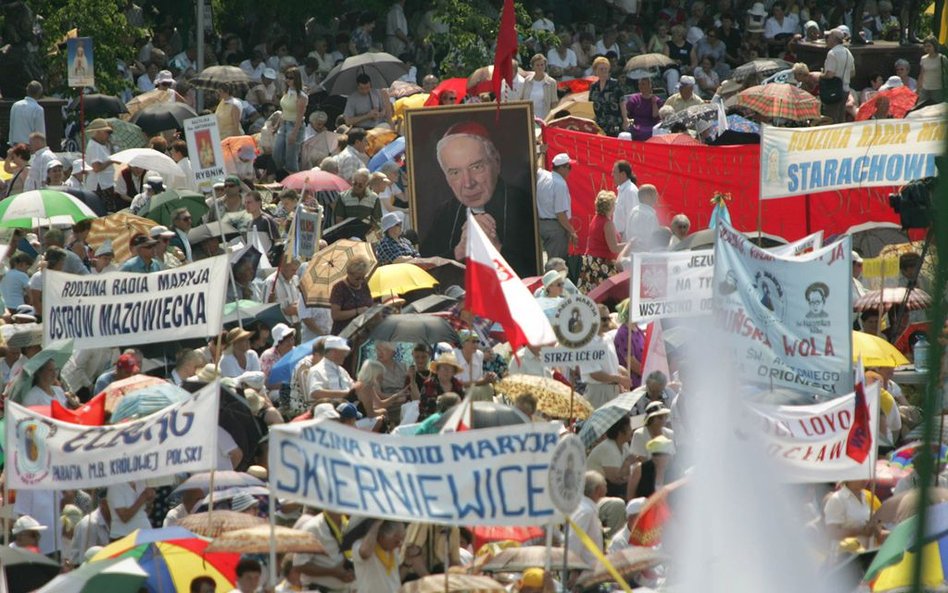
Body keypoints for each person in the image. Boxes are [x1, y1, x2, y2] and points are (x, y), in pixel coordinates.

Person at [421, 121, 538, 276]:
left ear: (496, 162)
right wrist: (458, 252)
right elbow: (424, 271)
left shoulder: (522, 204)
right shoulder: (446, 213)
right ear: (447, 178)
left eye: (476, 167)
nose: (468, 183)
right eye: (455, 172)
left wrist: (496, 248)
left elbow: (535, 274)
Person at [353, 520, 425, 593]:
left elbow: (394, 579)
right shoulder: (360, 545)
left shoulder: (393, 550)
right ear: (381, 537)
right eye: (397, 541)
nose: (400, 545)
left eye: (402, 540)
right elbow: (365, 552)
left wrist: (407, 562)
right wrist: (376, 524)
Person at [536, 153, 578, 261]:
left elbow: (537, 167)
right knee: (556, 264)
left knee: (551, 262)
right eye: (569, 167)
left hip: (541, 224)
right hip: (555, 228)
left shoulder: (543, 175)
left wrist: (540, 152)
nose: (570, 170)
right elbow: (560, 214)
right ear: (561, 168)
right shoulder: (560, 184)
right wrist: (572, 231)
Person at [579, 191, 622, 293]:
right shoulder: (607, 223)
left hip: (592, 262)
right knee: (607, 295)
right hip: (603, 263)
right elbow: (614, 248)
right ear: (610, 206)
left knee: (592, 295)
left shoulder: (596, 219)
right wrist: (630, 244)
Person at [587, 416, 636, 498]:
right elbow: (616, 479)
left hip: (609, 487)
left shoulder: (625, 445)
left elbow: (628, 472)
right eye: (629, 428)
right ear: (620, 432)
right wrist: (627, 462)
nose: (632, 431)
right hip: (595, 489)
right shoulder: (608, 447)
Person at [565, 472, 606, 568]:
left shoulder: (584, 508)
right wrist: (575, 569)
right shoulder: (585, 511)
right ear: (598, 489)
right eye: (605, 485)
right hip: (584, 571)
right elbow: (574, 541)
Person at [273, 67, 309, 173]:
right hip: (284, 124)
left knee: (291, 157)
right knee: (277, 153)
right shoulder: (287, 91)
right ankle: (281, 175)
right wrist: (277, 125)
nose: (288, 80)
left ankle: (293, 181)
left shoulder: (301, 96)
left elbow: (299, 116)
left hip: (295, 125)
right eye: (286, 77)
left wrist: (294, 133)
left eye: (291, 78)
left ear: (296, 79)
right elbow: (284, 110)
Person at [329, 256, 373, 334]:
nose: (360, 281)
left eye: (363, 277)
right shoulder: (339, 288)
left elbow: (370, 303)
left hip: (362, 333)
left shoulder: (364, 284)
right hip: (343, 333)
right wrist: (357, 311)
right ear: (349, 273)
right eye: (357, 278)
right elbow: (335, 315)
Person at [821, 29, 854, 124]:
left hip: (833, 91)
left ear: (834, 39)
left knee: (831, 119)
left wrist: (821, 75)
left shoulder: (832, 53)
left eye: (829, 37)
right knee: (841, 118)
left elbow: (830, 75)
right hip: (845, 90)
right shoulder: (849, 53)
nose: (827, 39)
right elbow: (852, 73)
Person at [84, 119, 118, 209]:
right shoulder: (94, 146)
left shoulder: (102, 145)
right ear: (98, 132)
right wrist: (111, 161)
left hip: (106, 184)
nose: (109, 135)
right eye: (107, 132)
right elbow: (96, 168)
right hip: (99, 186)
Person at [419, 353, 464, 421]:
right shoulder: (429, 385)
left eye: (450, 369)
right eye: (444, 368)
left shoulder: (458, 386)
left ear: (453, 372)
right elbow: (424, 410)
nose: (447, 372)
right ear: (437, 370)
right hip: (431, 421)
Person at [589, 56, 624, 136]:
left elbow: (622, 102)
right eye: (601, 69)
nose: (604, 71)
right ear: (595, 71)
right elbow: (591, 104)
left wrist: (625, 119)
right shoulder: (593, 86)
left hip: (614, 122)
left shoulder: (615, 84)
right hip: (599, 122)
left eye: (606, 69)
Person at [622, 74, 664, 140]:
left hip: (652, 125)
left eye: (643, 84)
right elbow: (628, 113)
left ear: (650, 85)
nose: (641, 86)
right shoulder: (634, 99)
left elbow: (655, 116)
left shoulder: (657, 100)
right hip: (637, 125)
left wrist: (654, 103)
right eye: (640, 84)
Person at [517, 54, 558, 119]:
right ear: (533, 67)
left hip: (544, 118)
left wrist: (552, 119)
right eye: (537, 65)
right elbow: (522, 100)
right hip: (528, 117)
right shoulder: (527, 81)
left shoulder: (552, 82)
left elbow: (554, 103)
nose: (540, 67)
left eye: (542, 65)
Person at [9, 81, 45, 147]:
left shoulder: (16, 105)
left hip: (16, 144)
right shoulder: (38, 109)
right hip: (30, 146)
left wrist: (11, 143)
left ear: (27, 90)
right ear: (39, 92)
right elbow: (40, 131)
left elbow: (12, 126)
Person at [917, 37, 944, 105]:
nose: (927, 48)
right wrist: (918, 88)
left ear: (934, 46)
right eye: (925, 46)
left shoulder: (942, 58)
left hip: (937, 89)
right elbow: (921, 74)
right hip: (925, 89)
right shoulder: (923, 58)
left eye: (929, 46)